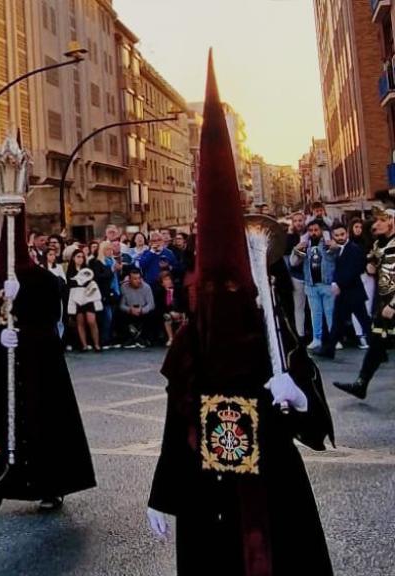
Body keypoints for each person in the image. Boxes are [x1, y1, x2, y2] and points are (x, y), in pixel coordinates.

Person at [147, 55, 334, 576]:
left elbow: (313, 414)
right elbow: (174, 423)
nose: (221, 297)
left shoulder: (271, 332)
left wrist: (298, 398)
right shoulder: (189, 345)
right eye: (211, 289)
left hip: (274, 491)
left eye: (231, 288)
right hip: (207, 500)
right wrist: (163, 494)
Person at [0, 207, 96, 515]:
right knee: (1, 421)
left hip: (38, 362)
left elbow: (53, 308)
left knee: (44, 420)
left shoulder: (41, 279)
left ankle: (51, 487)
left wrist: (29, 296)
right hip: (7, 361)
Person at [334, 207, 395, 399]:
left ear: (391, 222)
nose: (375, 225)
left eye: (380, 221)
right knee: (376, 344)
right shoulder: (379, 244)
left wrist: (394, 305)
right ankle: (361, 384)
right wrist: (370, 265)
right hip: (383, 304)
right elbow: (371, 266)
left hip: (392, 305)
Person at [317, 222, 370, 358]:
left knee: (365, 323)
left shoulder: (353, 249)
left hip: (354, 293)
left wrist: (337, 284)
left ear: (347, 233)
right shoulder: (337, 249)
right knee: (337, 323)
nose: (340, 237)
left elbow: (353, 270)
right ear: (333, 236)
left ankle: (379, 351)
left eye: (342, 234)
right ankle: (329, 350)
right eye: (337, 235)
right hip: (344, 294)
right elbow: (337, 269)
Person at [291, 219, 336, 350]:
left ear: (321, 230)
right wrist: (296, 250)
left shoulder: (327, 243)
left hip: (326, 283)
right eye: (310, 230)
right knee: (315, 313)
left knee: (330, 313)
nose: (313, 233)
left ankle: (333, 338)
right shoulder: (306, 245)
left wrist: (334, 247)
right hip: (311, 284)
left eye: (316, 230)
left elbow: (337, 256)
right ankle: (317, 338)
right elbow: (294, 263)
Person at [66, 248, 103, 352]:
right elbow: (70, 284)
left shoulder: (88, 270)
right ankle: (84, 345)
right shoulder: (70, 271)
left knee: (91, 320)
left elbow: (91, 282)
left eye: (82, 257)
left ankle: (96, 344)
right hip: (76, 298)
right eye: (78, 257)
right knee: (80, 321)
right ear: (73, 258)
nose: (80, 259)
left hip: (88, 297)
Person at [119, 267, 156, 348]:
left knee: (152, 314)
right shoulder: (124, 287)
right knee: (119, 314)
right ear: (129, 279)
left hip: (142, 310)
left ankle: (144, 338)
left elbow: (151, 304)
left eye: (139, 278)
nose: (138, 281)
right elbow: (121, 305)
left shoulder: (146, 287)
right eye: (135, 279)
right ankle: (128, 338)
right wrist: (130, 310)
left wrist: (142, 310)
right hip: (130, 310)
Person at [286, 211, 308, 339]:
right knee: (299, 306)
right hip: (297, 276)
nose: (298, 223)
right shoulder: (290, 236)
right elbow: (286, 250)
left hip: (310, 276)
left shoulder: (309, 233)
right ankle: (300, 334)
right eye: (296, 221)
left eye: (300, 220)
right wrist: (289, 233)